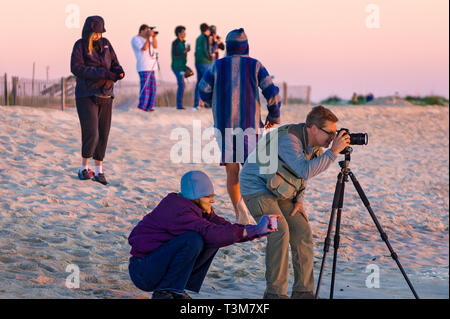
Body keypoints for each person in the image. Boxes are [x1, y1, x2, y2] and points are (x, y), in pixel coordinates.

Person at [239, 105, 351, 299]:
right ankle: (275, 294)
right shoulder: (289, 140)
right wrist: (333, 152)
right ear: (314, 128)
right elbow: (304, 170)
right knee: (279, 231)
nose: (333, 138)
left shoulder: (313, 143)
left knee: (302, 231)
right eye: (330, 133)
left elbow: (301, 175)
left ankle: (303, 293)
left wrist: (299, 199)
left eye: (335, 134)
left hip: (279, 190)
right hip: (256, 188)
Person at [128, 170, 278, 299]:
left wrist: (257, 230)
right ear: (196, 196)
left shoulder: (197, 208)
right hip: (143, 271)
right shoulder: (178, 210)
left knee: (212, 238)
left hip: (155, 266)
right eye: (208, 196)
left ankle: (175, 289)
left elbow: (224, 229)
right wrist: (255, 230)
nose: (212, 200)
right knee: (194, 240)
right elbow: (212, 233)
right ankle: (166, 291)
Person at [199, 28, 281, 224]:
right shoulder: (255, 65)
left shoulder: (217, 66)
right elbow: (273, 93)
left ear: (228, 47)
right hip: (249, 126)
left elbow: (202, 90)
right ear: (246, 47)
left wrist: (215, 103)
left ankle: (240, 212)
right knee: (254, 170)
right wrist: (274, 115)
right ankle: (258, 210)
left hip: (224, 125)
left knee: (232, 171)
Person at [71, 16, 124, 185]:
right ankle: (83, 168)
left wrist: (119, 71)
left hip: (106, 94)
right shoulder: (80, 45)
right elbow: (76, 68)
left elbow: (115, 63)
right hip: (86, 95)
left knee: (103, 134)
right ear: (89, 31)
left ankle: (99, 171)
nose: (98, 36)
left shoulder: (107, 43)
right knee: (92, 133)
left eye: (100, 33)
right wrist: (103, 74)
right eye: (95, 33)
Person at [131, 24, 158, 112]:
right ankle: (142, 106)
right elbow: (144, 48)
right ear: (141, 31)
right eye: (146, 31)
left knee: (153, 88)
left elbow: (155, 46)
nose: (148, 32)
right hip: (143, 67)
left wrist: (153, 37)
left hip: (151, 67)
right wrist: (148, 38)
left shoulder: (148, 39)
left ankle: (149, 107)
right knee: (145, 88)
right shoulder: (136, 39)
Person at [193, 23, 213, 110]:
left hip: (198, 62)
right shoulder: (205, 37)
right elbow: (206, 50)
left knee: (199, 83)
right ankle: (208, 103)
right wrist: (210, 57)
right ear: (207, 30)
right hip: (205, 62)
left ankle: (196, 103)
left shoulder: (198, 38)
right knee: (208, 82)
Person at [171, 25, 190, 110]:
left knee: (182, 84)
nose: (185, 33)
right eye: (183, 32)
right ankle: (179, 105)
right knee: (181, 84)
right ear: (179, 33)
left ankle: (180, 104)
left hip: (182, 66)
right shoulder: (176, 43)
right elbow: (175, 54)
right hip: (177, 66)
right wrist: (185, 51)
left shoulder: (182, 43)